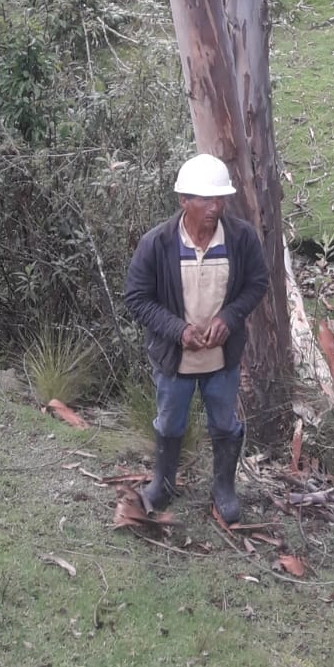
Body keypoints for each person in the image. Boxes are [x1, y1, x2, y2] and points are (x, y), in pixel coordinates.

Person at [124, 153, 269, 523]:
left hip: (222, 360)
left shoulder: (241, 239)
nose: (215, 207)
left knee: (224, 423)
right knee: (170, 422)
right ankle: (163, 484)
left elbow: (257, 283)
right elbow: (137, 298)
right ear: (183, 200)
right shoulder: (157, 244)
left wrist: (230, 317)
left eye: (220, 199)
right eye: (206, 199)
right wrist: (179, 330)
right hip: (175, 361)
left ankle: (224, 489)